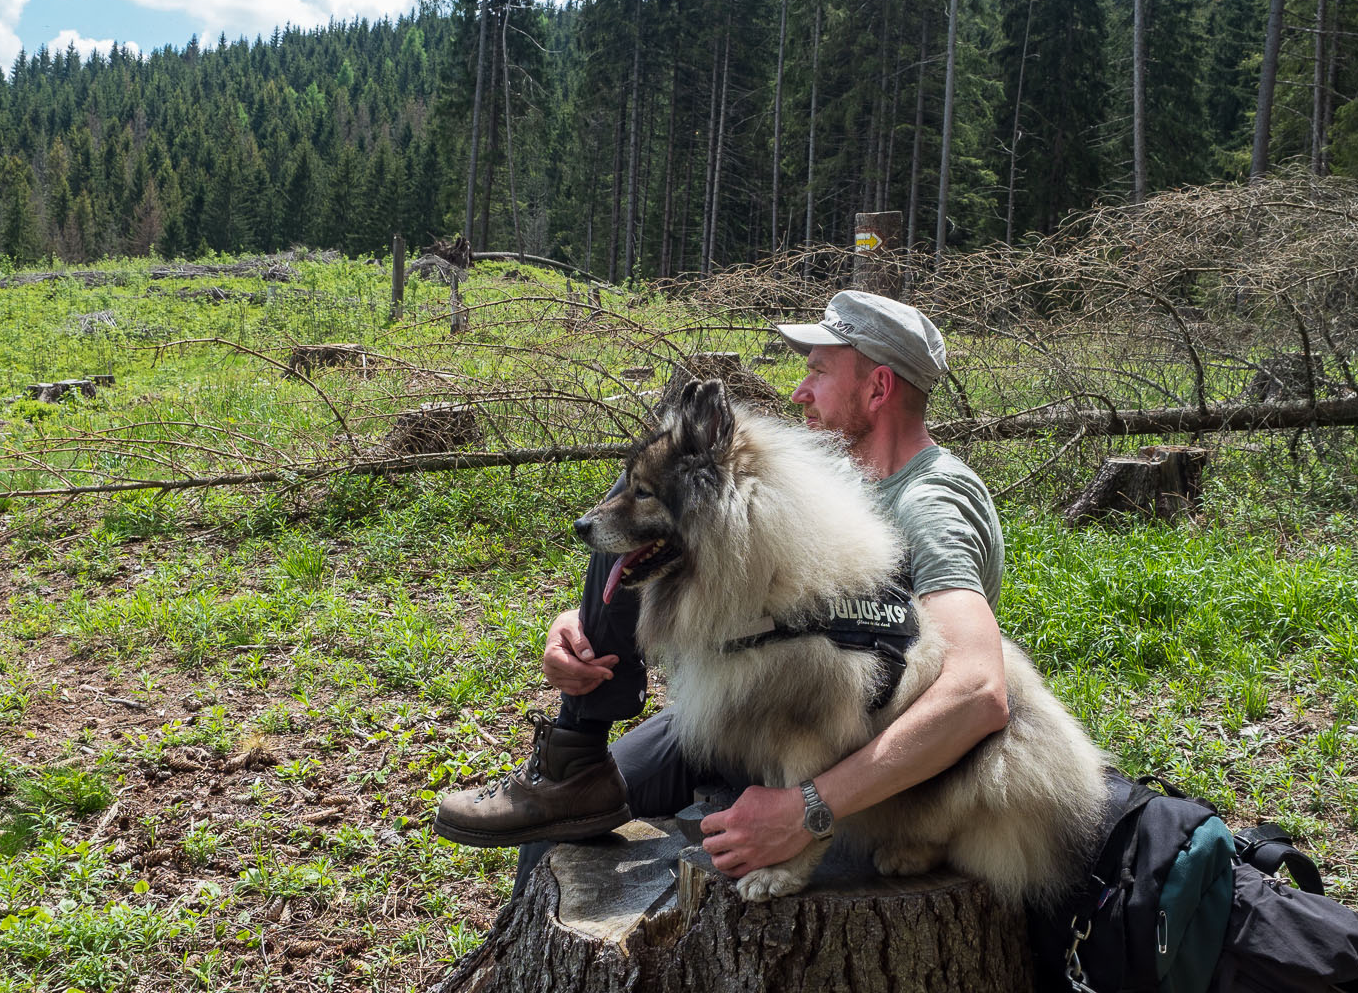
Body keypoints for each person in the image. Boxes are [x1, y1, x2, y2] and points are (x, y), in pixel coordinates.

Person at [432, 290, 1008, 887]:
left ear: (879, 388)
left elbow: (979, 690)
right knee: (560, 824)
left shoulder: (932, 506)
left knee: (676, 491)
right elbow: (717, 571)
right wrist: (584, 622)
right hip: (742, 711)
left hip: (835, 750)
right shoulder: (828, 473)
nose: (798, 392)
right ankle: (573, 762)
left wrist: (809, 806)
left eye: (817, 372)